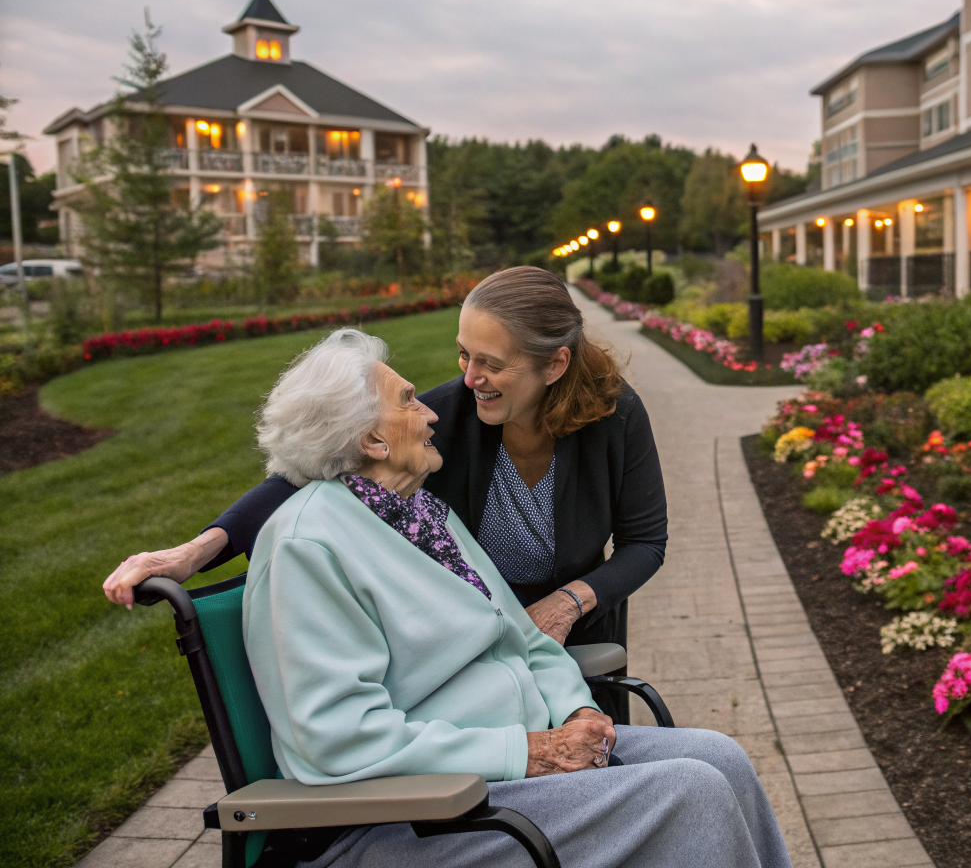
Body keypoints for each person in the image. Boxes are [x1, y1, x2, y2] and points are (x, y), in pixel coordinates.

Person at [244, 328, 790, 868]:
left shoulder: (425, 518)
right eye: (409, 402)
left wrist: (577, 710)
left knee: (721, 757)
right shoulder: (308, 545)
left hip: (511, 767)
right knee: (690, 792)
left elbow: (526, 640)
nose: (433, 414)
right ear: (371, 441)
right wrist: (528, 752)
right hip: (422, 812)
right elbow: (336, 740)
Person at [104, 267, 665, 719]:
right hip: (468, 656)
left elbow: (644, 542)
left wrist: (570, 603)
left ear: (555, 364)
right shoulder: (451, 413)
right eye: (464, 354)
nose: (470, 378)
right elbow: (302, 473)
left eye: (492, 363)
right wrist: (192, 553)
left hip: (572, 635)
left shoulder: (614, 419)